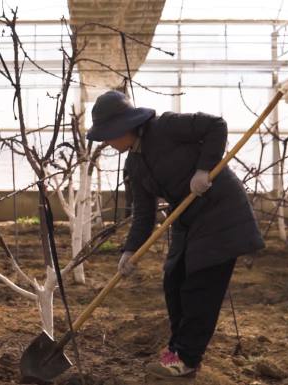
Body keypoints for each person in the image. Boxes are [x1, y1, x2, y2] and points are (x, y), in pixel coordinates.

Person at [87, 91, 264, 379]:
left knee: (200, 285)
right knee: (174, 279)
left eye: (108, 135)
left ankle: (187, 359)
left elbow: (216, 125)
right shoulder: (133, 165)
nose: (107, 142)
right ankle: (177, 350)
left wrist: (203, 169)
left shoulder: (166, 126)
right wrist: (130, 251)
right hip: (188, 220)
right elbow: (144, 214)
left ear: (124, 126)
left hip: (220, 212)